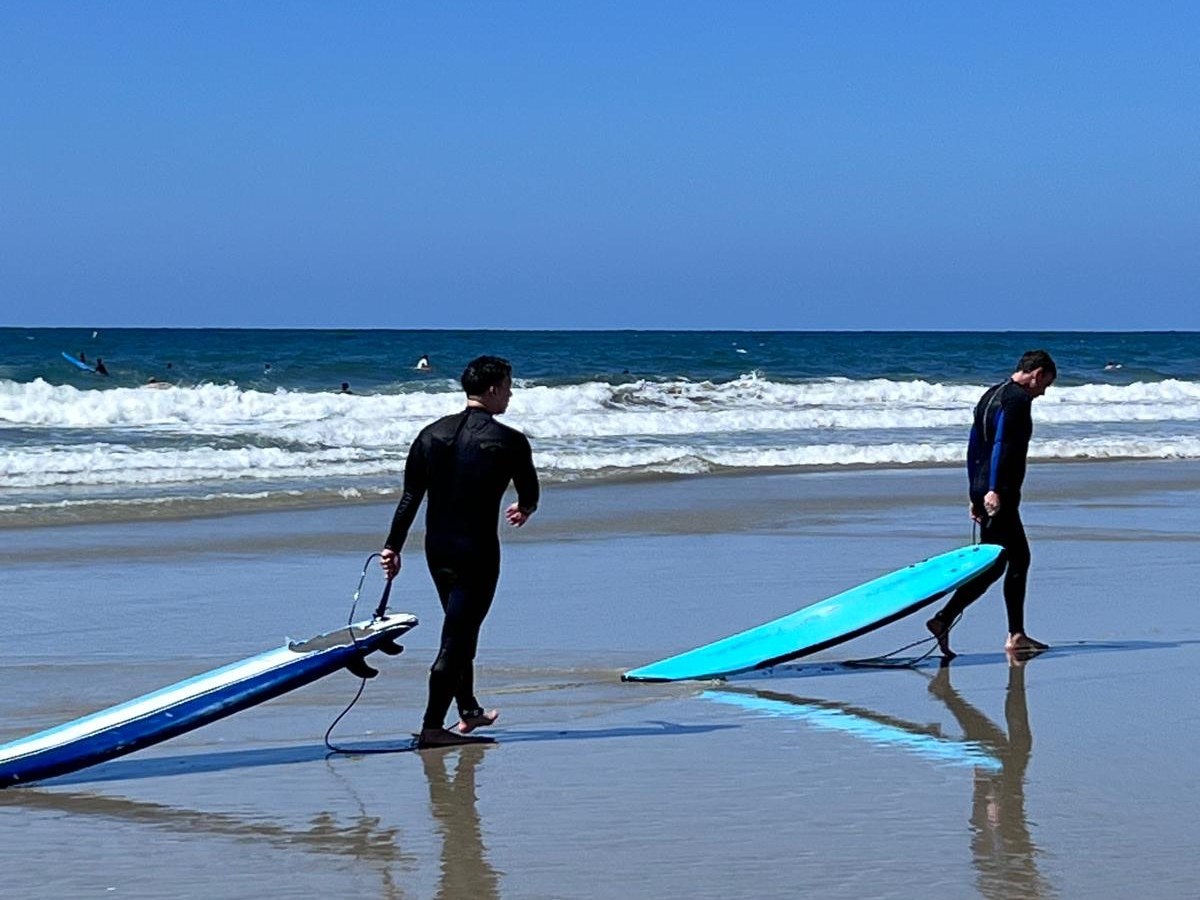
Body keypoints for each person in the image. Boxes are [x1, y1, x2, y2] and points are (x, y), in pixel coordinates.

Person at [380, 355, 539, 748]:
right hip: (478, 553)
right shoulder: (510, 441)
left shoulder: (431, 434)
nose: (511, 394)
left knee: (459, 628)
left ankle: (468, 710)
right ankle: (433, 727)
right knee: (458, 639)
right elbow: (530, 493)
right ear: (492, 390)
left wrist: (392, 547)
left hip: (437, 551)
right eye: (507, 386)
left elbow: (410, 498)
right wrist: (524, 509)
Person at [927, 349, 1057, 658]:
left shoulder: (990, 394)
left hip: (983, 489)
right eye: (1045, 385)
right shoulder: (1017, 401)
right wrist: (994, 490)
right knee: (1015, 559)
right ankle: (1013, 635)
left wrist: (974, 491)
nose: (1042, 393)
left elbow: (974, 448)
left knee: (996, 563)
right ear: (1037, 374)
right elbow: (1000, 446)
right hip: (1000, 493)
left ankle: (946, 619)